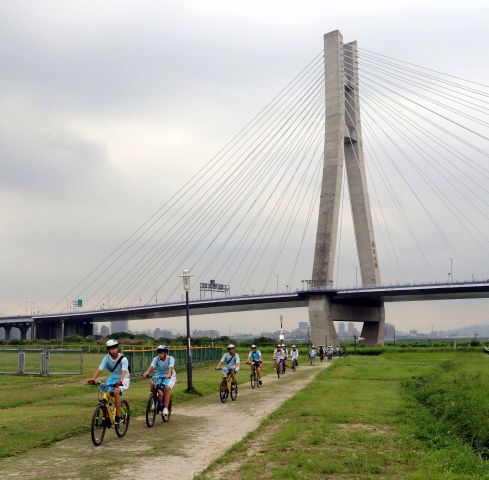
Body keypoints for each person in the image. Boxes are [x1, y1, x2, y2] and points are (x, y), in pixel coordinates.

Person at [87, 339, 130, 424]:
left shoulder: (123, 359)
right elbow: (100, 369)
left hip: (123, 378)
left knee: (116, 392)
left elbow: (123, 371)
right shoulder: (106, 358)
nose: (113, 350)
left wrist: (120, 382)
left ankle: (118, 416)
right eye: (111, 349)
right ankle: (109, 412)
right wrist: (93, 379)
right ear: (108, 350)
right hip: (112, 377)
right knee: (106, 393)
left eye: (114, 348)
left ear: (117, 348)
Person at [143, 345, 176, 419]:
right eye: (158, 352)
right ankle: (155, 400)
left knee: (167, 388)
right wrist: (146, 373)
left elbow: (170, 367)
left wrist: (168, 373)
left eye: (161, 352)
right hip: (158, 375)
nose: (160, 354)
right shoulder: (156, 359)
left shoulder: (170, 358)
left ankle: (166, 408)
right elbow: (152, 366)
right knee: (152, 384)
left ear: (165, 353)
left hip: (170, 376)